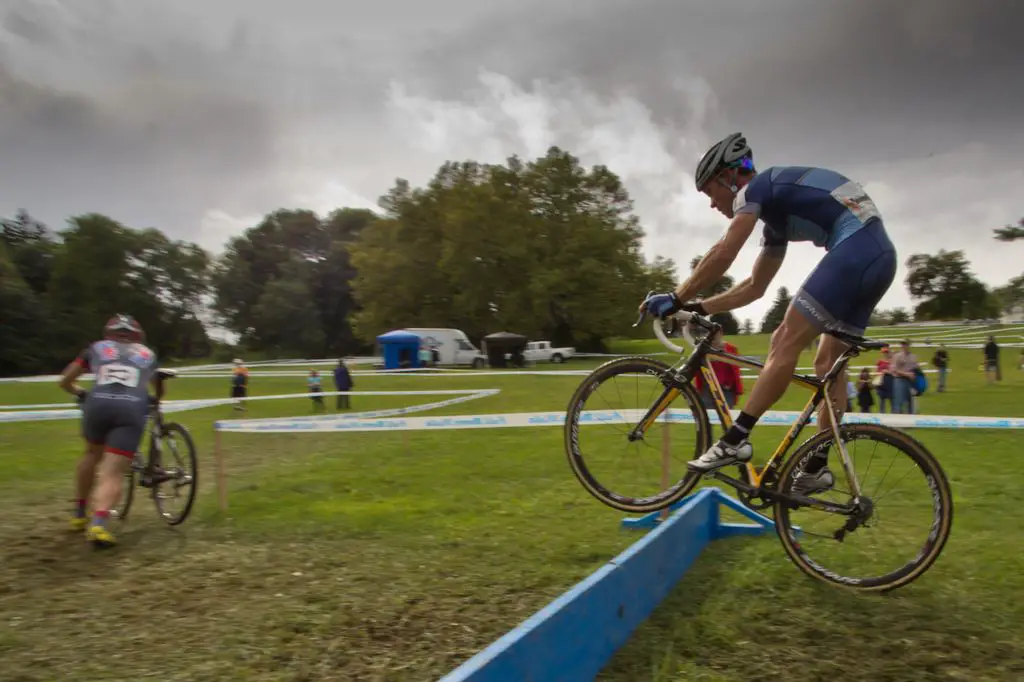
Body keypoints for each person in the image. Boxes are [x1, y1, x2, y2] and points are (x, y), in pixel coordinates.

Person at [640, 132, 897, 495]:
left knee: (783, 340)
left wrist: (677, 295)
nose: (712, 204)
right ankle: (815, 466)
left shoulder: (756, 188)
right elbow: (754, 287)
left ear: (728, 177)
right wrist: (698, 306)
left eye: (710, 192)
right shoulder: (777, 217)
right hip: (879, 257)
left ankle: (735, 440)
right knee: (827, 365)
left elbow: (725, 250)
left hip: (855, 251)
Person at [58, 314, 165, 548]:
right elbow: (157, 388)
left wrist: (80, 393)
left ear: (109, 333)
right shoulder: (147, 354)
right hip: (131, 408)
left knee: (91, 455)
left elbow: (64, 381)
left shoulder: (95, 348)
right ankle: (99, 523)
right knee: (113, 471)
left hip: (97, 404)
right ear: (138, 336)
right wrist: (155, 398)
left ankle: (78, 514)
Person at [693, 327, 744, 409]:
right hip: (708, 389)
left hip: (726, 390)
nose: (713, 337)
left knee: (727, 417)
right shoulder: (702, 349)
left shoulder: (731, 348)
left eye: (715, 334)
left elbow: (736, 369)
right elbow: (695, 368)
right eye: (710, 334)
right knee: (708, 415)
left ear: (721, 334)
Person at [889, 340, 919, 414]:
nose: (904, 346)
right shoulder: (897, 356)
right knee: (898, 401)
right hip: (899, 380)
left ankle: (911, 419)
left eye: (906, 344)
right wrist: (907, 374)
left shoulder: (913, 356)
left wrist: (916, 375)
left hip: (911, 381)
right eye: (903, 344)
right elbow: (894, 369)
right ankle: (897, 419)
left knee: (911, 401)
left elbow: (916, 368)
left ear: (909, 345)